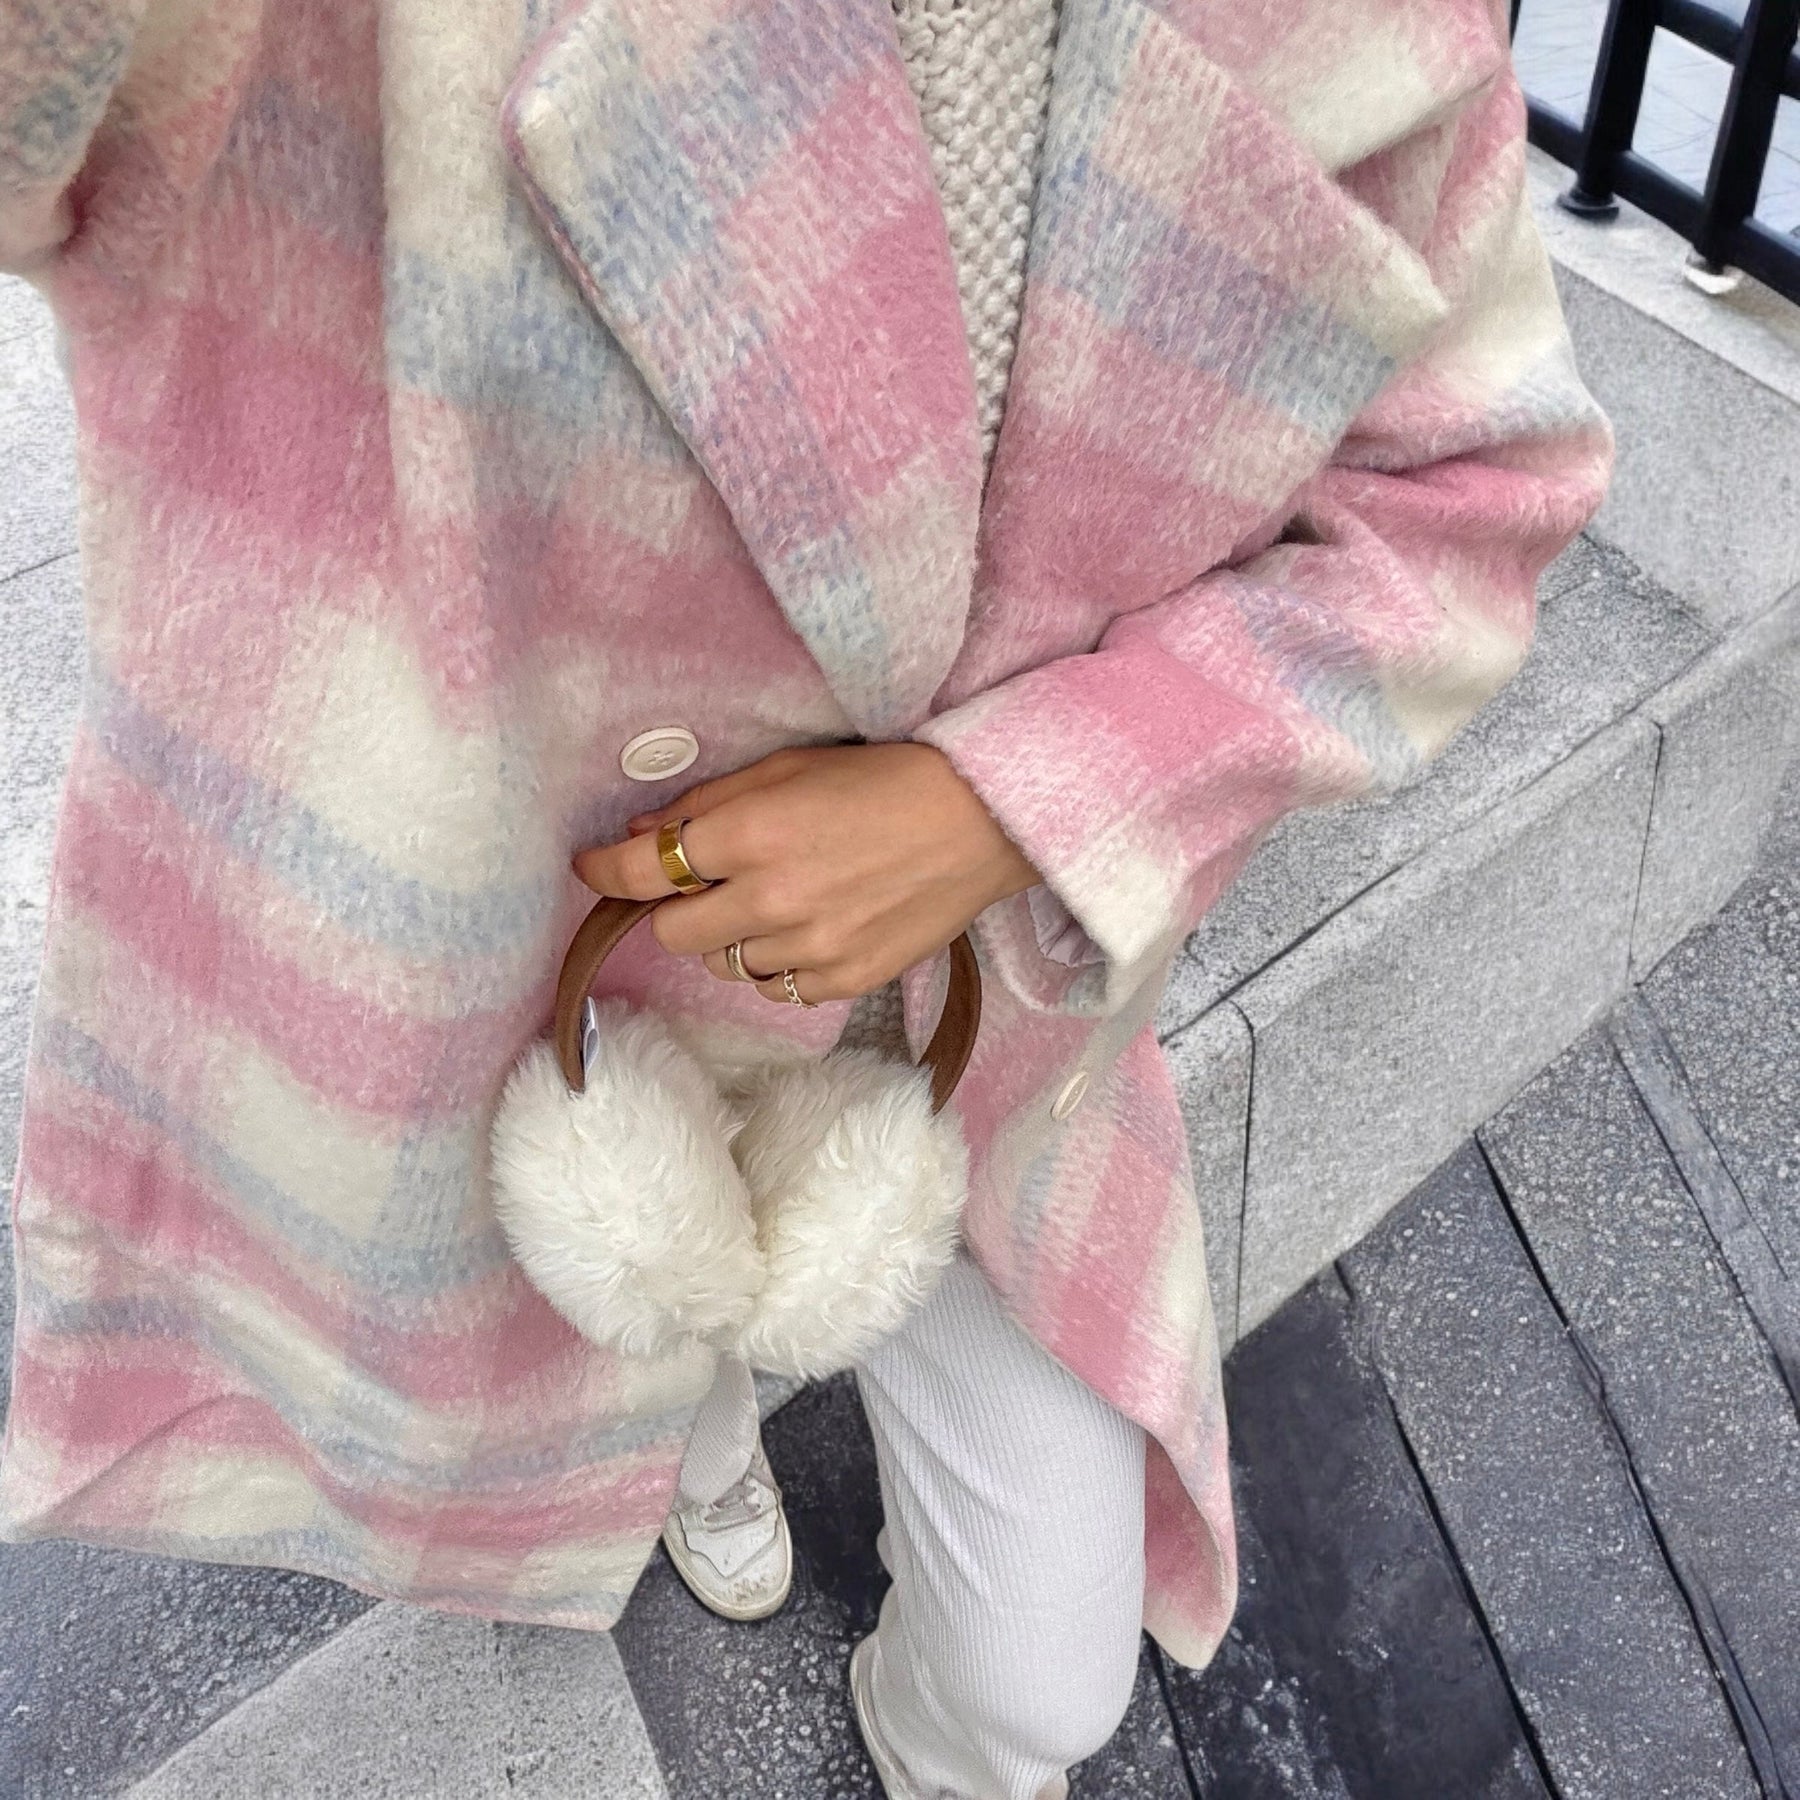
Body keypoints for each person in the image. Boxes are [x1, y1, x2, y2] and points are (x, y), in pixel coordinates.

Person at [0, 2, 1611, 1796]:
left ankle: (897, 1696)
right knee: (633, 1246)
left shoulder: (1372, 35)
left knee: (1038, 1687)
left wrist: (1006, 805)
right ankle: (694, 1440)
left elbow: (1477, 492)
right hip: (535, 972)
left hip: (973, 1023)